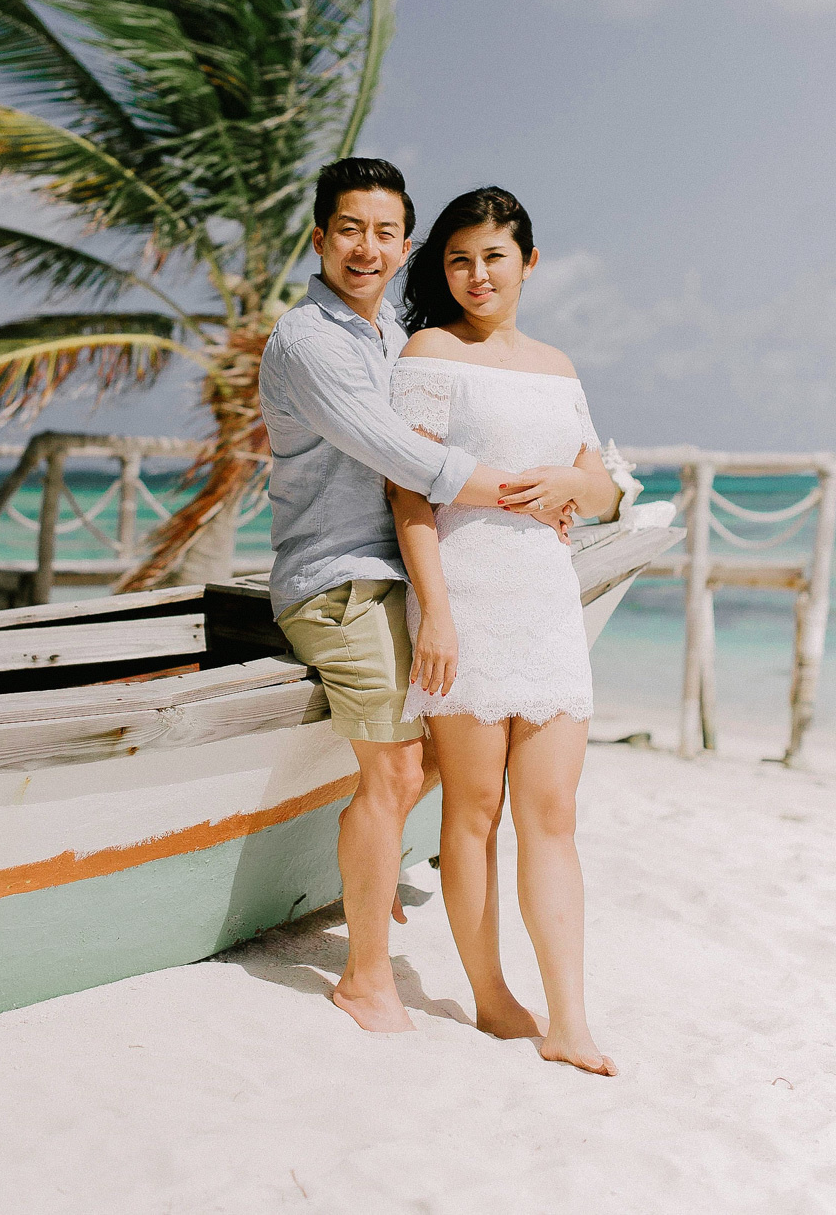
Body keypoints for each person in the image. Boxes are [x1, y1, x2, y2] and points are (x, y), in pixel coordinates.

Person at [259, 159, 574, 1034]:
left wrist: (582, 484)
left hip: (412, 568)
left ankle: (370, 860)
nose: (367, 248)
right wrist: (529, 494)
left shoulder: (398, 335)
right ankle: (366, 977)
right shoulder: (311, 342)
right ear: (319, 239)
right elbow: (406, 459)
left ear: (406, 247)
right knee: (400, 770)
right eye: (349, 230)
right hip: (340, 578)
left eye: (386, 233)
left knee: (452, 761)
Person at [386, 186, 621, 1074]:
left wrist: (573, 488)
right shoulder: (429, 352)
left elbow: (602, 487)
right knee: (475, 810)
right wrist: (437, 615)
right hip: (466, 597)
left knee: (553, 814)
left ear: (529, 261)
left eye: (493, 256)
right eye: (458, 259)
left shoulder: (558, 367)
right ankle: (490, 996)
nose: (476, 274)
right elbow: (407, 491)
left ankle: (571, 1021)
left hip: (546, 602)